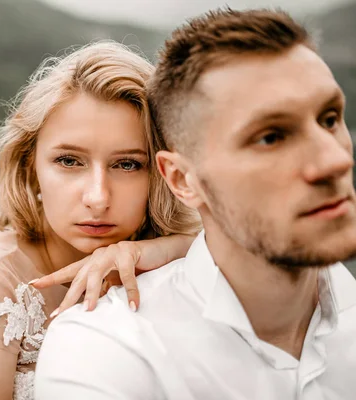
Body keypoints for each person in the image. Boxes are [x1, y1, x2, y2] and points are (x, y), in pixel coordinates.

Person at [35, 8, 356, 400]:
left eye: (329, 118)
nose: (337, 161)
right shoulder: (105, 349)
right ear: (182, 180)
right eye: (271, 137)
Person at [0, 41, 201, 400]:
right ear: (30, 166)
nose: (97, 197)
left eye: (127, 164)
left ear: (161, 172)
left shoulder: (160, 258)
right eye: (69, 161)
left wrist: (162, 250)